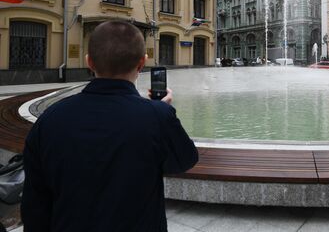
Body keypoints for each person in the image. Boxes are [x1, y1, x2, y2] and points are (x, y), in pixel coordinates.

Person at [21, 21, 198, 231]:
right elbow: (184, 161)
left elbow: (35, 204)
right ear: (142, 63)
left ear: (89, 62)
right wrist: (161, 113)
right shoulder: (158, 116)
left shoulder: (50, 119)